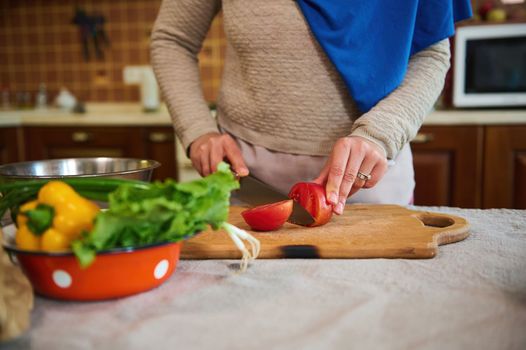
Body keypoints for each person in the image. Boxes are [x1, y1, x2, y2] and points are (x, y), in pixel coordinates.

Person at [150, 0, 452, 215]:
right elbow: (173, 40)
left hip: (369, 182)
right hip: (246, 181)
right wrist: (198, 130)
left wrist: (379, 134)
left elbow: (432, 54)